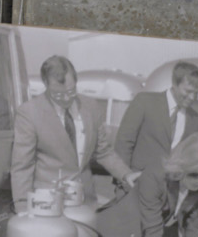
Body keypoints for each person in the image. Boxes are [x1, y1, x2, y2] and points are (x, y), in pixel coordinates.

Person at [11, 55, 134, 212]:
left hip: (85, 204)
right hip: (47, 206)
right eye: (57, 94)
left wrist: (126, 174)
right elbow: (22, 166)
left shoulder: (91, 107)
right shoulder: (29, 113)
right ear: (46, 85)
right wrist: (22, 207)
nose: (66, 98)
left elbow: (103, 152)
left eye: (71, 91)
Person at [106, 133, 198, 237]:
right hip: (121, 228)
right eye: (194, 175)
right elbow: (152, 229)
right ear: (182, 166)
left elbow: (197, 228)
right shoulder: (154, 176)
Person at [118, 62, 198, 179]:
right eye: (188, 91)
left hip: (171, 192)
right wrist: (124, 178)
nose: (192, 98)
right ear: (174, 84)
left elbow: (193, 160)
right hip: (137, 185)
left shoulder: (196, 120)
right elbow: (124, 143)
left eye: (196, 93)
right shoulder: (144, 102)